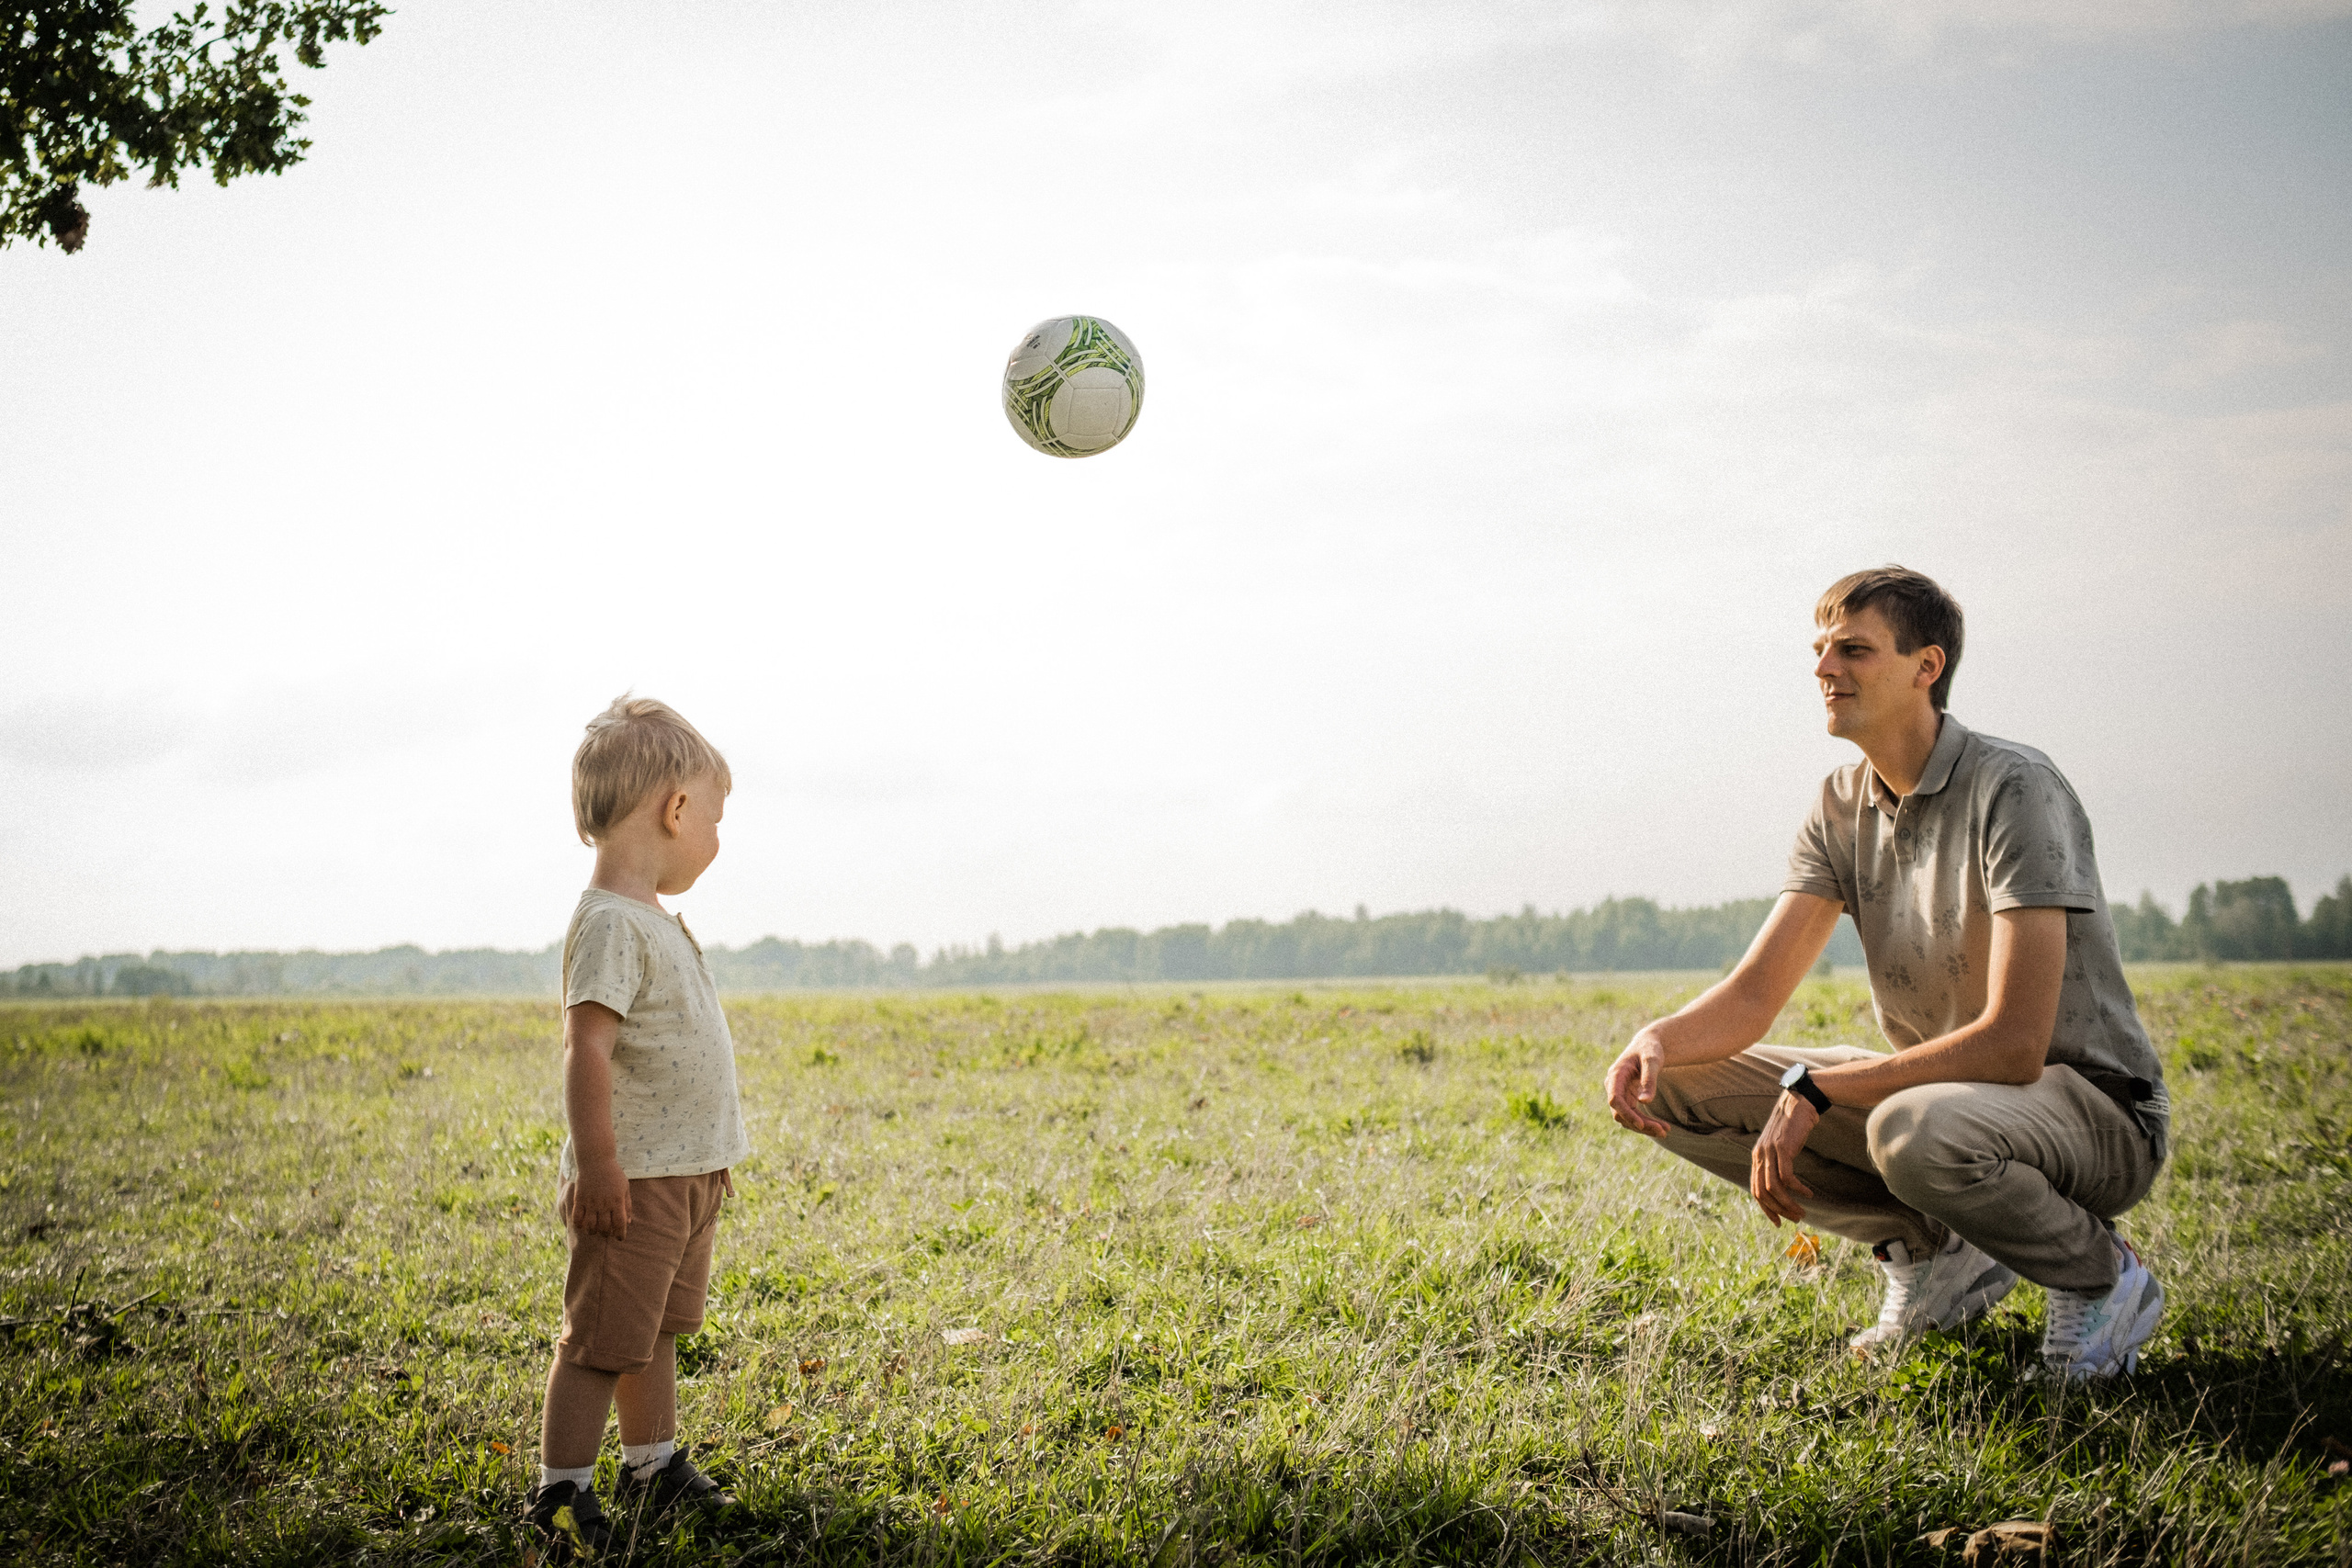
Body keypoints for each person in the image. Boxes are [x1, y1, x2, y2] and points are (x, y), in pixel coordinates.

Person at [1600, 567, 2170, 1381]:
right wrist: (1655, 1038)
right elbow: (1758, 992)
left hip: (2093, 1111)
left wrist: (1819, 1088)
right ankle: (1940, 1255)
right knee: (1676, 1081)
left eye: (1854, 649)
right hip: (1941, 1100)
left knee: (1910, 1130)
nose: (1825, 668)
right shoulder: (1839, 802)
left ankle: (2102, 1276)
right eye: (1821, 649)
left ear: (1925, 666)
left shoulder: (2015, 787)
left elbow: (2013, 1047)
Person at [527, 694, 750, 1558]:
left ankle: (651, 1465)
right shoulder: (611, 922)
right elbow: (587, 1049)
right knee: (598, 1341)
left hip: (685, 1173)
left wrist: (707, 1161)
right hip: (634, 1177)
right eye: (718, 818)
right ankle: (560, 1493)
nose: (718, 840)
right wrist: (600, 1163)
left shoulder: (652, 916)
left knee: (654, 1328)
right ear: (676, 809)